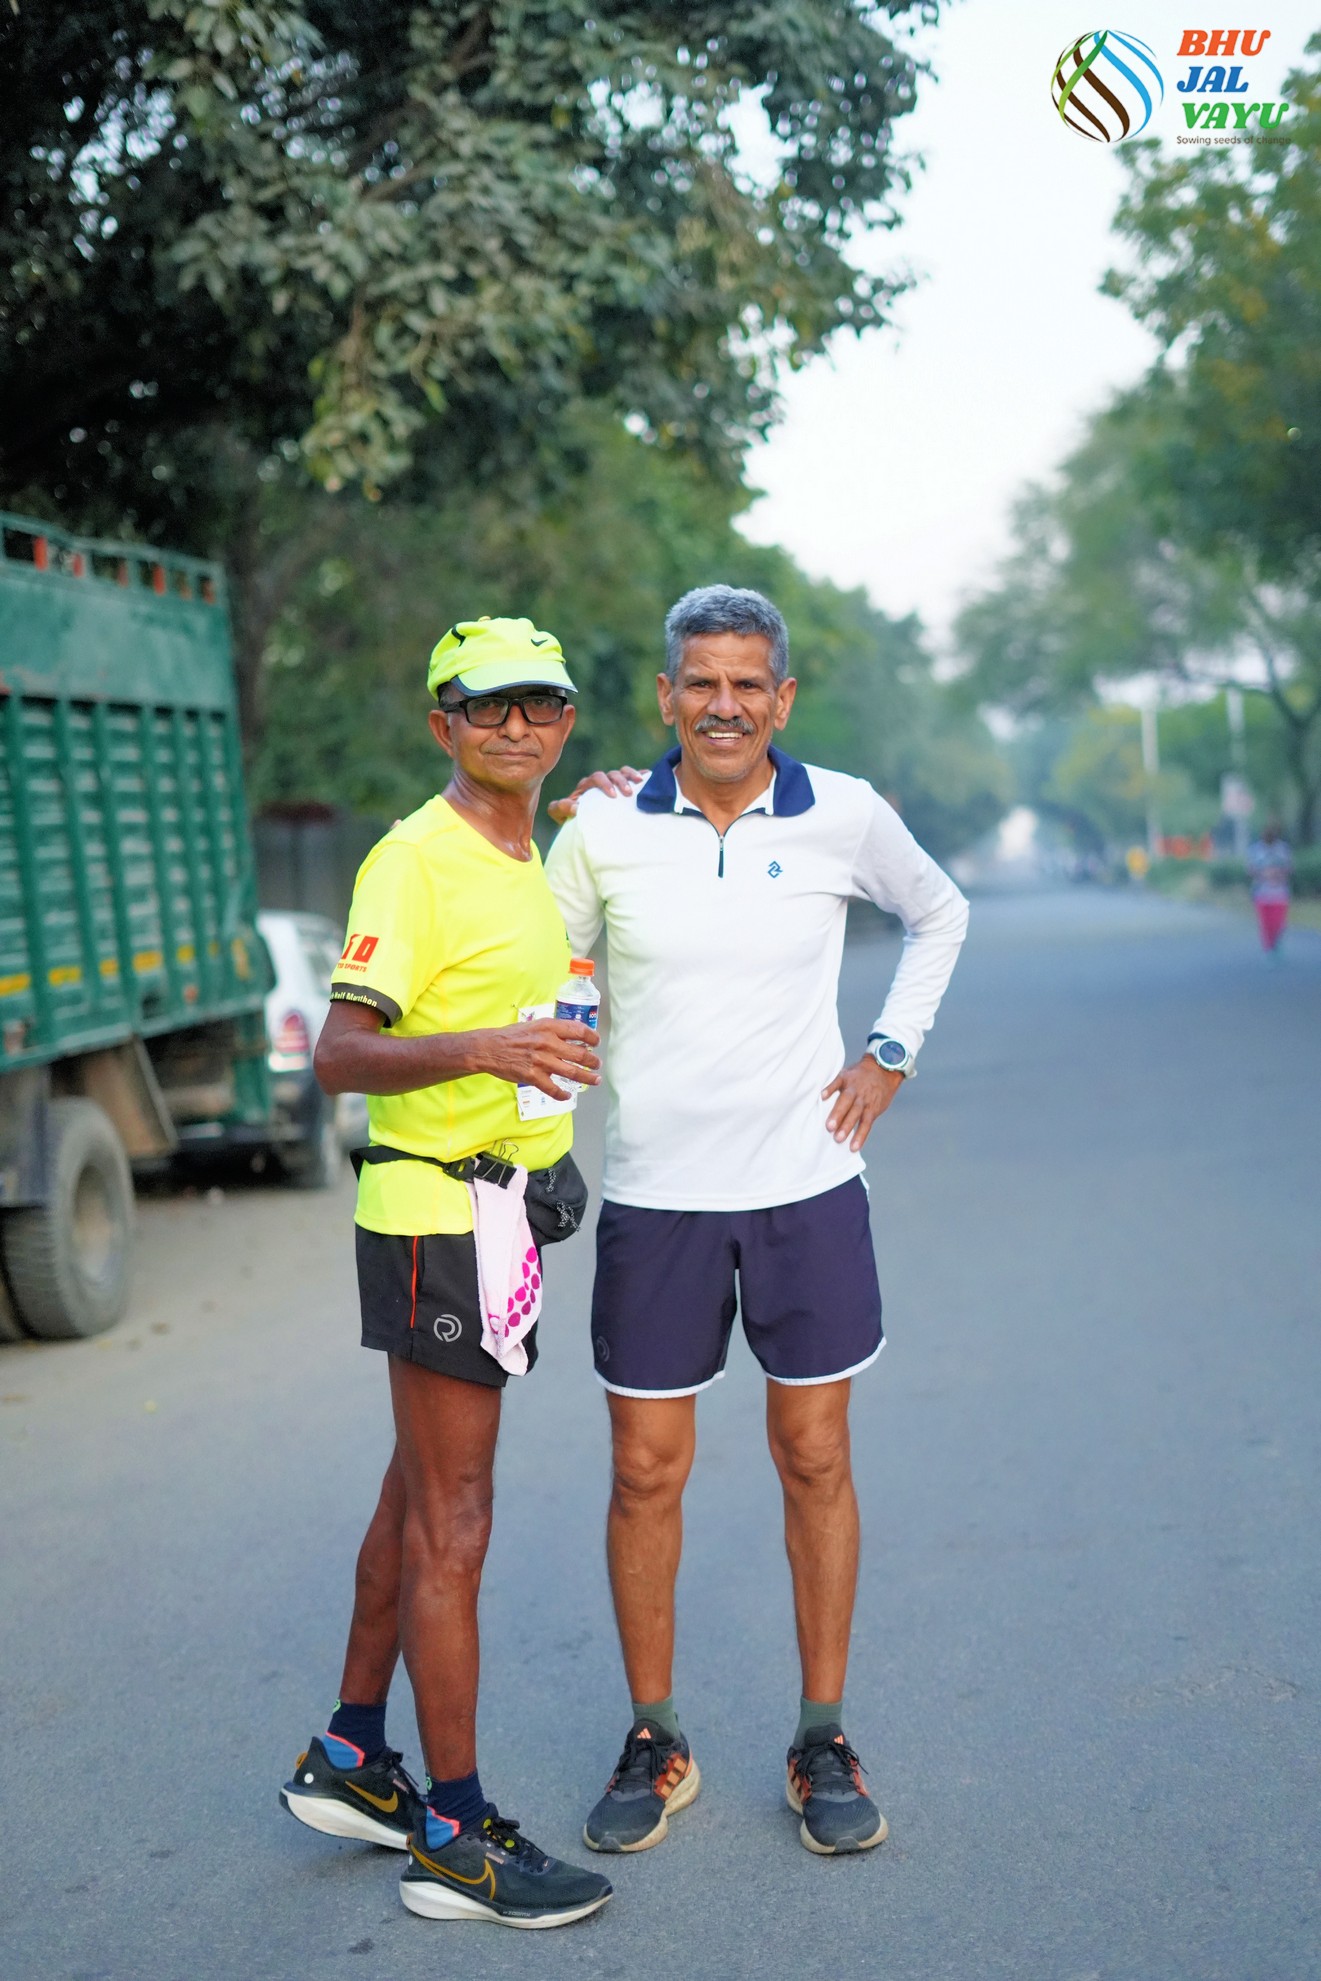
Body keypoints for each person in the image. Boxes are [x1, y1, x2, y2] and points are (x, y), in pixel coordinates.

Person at [544, 584, 969, 1858]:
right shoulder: (602, 829)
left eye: (745, 684)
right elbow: (547, 976)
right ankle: (655, 1734)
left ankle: (820, 1736)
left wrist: (887, 1053)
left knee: (814, 1457)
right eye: (700, 682)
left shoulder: (842, 811)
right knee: (643, 1470)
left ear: (781, 699)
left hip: (805, 1189)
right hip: (656, 1197)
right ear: (665, 696)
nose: (721, 704)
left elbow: (939, 911)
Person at [279, 617, 613, 1930]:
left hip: (494, 1213)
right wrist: (488, 1050)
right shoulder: (413, 860)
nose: (515, 727)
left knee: (416, 1487)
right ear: (443, 724)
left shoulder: (527, 847)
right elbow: (339, 1057)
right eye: (487, 708)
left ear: (566, 723)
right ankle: (457, 1839)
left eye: (540, 705)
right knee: (453, 1521)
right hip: (434, 1219)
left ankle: (355, 1753)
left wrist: (542, 1148)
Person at [1247, 821, 1292, 955]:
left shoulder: (1283, 849)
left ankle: (1276, 943)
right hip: (1262, 893)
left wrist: (1278, 874)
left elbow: (1289, 868)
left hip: (1280, 894)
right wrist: (1262, 874)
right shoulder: (1255, 850)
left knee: (1278, 923)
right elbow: (1250, 869)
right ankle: (1269, 946)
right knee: (1266, 924)